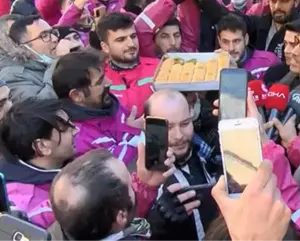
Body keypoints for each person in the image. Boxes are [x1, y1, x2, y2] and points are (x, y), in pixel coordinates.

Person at [48, 147, 177, 241]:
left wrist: (146, 186)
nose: (135, 180)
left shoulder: (69, 222)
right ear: (120, 217)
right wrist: (158, 227)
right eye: (131, 185)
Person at [145, 89, 221, 241]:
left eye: (185, 123)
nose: (179, 135)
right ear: (149, 127)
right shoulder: (143, 176)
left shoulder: (204, 150)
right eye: (169, 127)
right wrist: (157, 224)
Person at [52, 49, 143, 165]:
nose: (109, 82)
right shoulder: (78, 137)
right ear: (77, 95)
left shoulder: (107, 103)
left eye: (104, 76)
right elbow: (116, 166)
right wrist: (132, 131)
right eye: (100, 82)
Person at [0, 98, 78, 229]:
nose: (76, 130)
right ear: (42, 146)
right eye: (65, 128)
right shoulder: (28, 208)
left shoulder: (66, 158)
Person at [0, 15, 76, 102]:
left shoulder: (51, 59)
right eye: (44, 35)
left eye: (52, 32)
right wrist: (60, 63)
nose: (55, 39)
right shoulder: (12, 75)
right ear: (23, 46)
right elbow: (39, 107)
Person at [97, 13, 159, 112]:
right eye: (121, 40)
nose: (131, 44)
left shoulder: (159, 67)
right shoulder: (98, 78)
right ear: (105, 47)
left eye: (133, 36)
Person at [216, 14, 279, 79]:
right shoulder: (209, 65)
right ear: (219, 41)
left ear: (246, 39)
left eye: (236, 41)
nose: (231, 48)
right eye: (226, 42)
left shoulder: (268, 62)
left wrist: (236, 73)